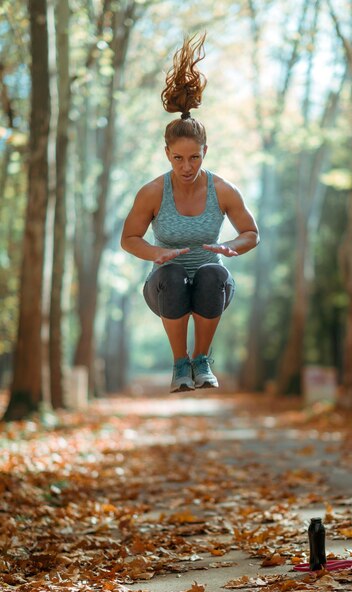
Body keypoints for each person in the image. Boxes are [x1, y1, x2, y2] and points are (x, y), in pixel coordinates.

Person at [121, 34, 259, 393]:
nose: (186, 166)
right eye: (179, 158)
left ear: (205, 152)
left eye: (194, 157)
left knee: (212, 272)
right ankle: (179, 363)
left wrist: (232, 247)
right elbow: (129, 238)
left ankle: (201, 360)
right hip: (164, 287)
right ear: (167, 154)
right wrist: (157, 254)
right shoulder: (152, 192)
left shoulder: (223, 190)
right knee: (176, 271)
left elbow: (251, 233)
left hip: (214, 287)